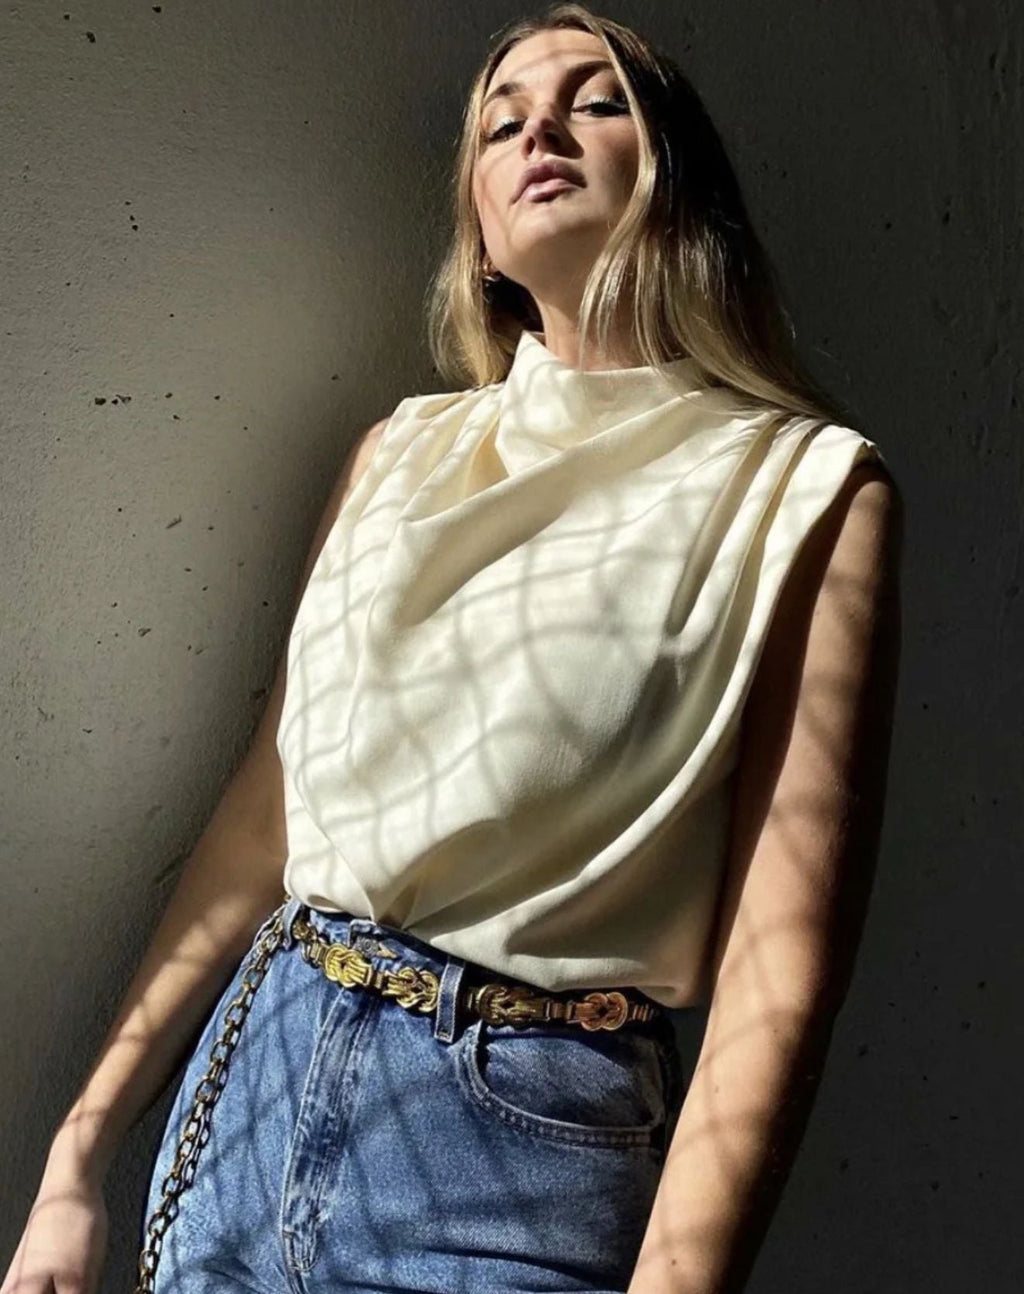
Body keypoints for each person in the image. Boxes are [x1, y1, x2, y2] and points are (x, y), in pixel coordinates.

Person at [2, 4, 903, 1293]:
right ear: (478, 227)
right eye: (500, 120)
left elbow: (781, 971)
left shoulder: (803, 492)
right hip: (252, 1091)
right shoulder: (401, 456)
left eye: (596, 101)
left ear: (676, 173)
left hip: (515, 1152)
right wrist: (76, 1157)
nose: (540, 129)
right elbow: (263, 820)